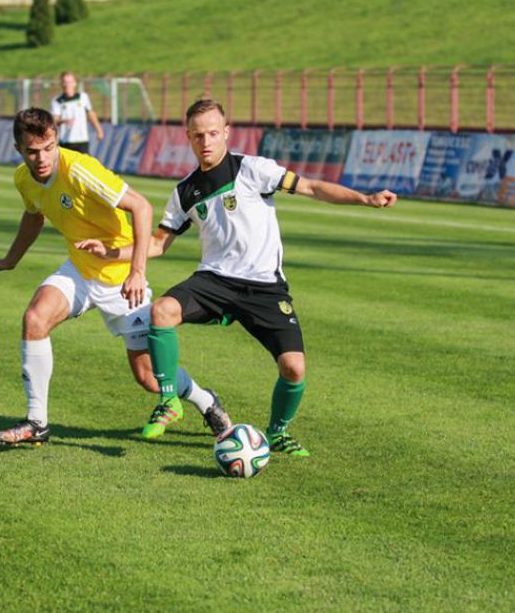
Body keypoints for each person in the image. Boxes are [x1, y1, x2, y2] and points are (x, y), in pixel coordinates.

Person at [79, 99, 396, 454]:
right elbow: (156, 243)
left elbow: (311, 188)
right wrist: (112, 253)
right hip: (214, 281)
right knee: (161, 311)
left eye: (213, 133)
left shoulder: (253, 170)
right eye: (198, 135)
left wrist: (365, 199)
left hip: (264, 287)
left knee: (294, 368)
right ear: (188, 137)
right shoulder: (184, 191)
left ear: (226, 132)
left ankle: (277, 432)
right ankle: (170, 401)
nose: (206, 141)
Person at [0, 107, 230, 446]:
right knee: (35, 318)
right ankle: (36, 422)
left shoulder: (81, 169)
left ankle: (206, 401)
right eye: (32, 151)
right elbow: (34, 216)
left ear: (57, 141)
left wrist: (137, 272)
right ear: (18, 150)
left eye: (49, 147)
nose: (42, 158)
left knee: (150, 377)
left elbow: (141, 207)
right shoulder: (24, 179)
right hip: (80, 270)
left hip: (120, 277)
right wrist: (10, 259)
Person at [50, 71, 104, 154]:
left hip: (82, 140)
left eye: (70, 82)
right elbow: (54, 120)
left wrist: (98, 130)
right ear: (61, 84)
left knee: (85, 165)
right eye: (65, 82)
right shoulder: (57, 101)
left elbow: (91, 113)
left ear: (75, 83)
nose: (67, 85)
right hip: (66, 141)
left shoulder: (83, 97)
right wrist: (64, 121)